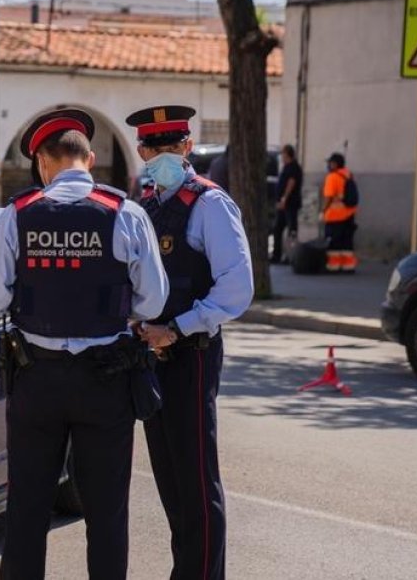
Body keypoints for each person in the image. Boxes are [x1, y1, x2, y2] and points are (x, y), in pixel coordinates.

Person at [0, 106, 169, 580]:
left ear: (43, 161)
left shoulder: (17, 215)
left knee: (26, 511)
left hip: (36, 380)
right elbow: (154, 302)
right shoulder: (127, 213)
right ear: (91, 156)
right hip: (106, 383)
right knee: (106, 513)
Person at [128, 105, 253, 580]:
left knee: (197, 486)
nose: (161, 155)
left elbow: (236, 289)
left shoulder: (210, 204)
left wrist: (177, 328)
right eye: (152, 148)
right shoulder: (146, 206)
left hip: (190, 356)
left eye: (171, 146)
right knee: (170, 484)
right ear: (142, 151)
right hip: (150, 356)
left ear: (187, 147)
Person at [322, 152, 358, 272]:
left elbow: (329, 197)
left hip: (335, 216)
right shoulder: (348, 175)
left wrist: (323, 211)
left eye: (330, 163)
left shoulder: (332, 177)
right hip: (349, 214)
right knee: (347, 242)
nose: (328, 165)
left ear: (335, 164)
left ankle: (334, 266)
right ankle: (348, 266)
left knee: (334, 244)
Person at [270, 144, 303, 264]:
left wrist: (284, 199)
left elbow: (291, 183)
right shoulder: (286, 167)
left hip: (290, 204)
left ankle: (291, 256)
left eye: (283, 154)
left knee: (291, 230)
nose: (282, 157)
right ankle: (277, 254)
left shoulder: (293, 167)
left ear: (287, 154)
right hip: (284, 204)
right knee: (277, 229)